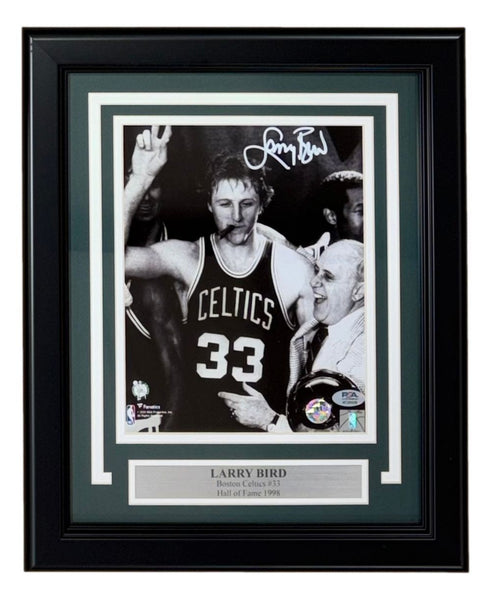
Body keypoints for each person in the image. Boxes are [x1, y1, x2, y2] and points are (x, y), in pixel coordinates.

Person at [124, 126, 314, 432]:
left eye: (246, 204)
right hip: (196, 430)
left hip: (263, 434)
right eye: (225, 204)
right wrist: (140, 179)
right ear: (210, 205)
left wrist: (280, 422)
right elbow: (112, 259)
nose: (236, 216)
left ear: (262, 204)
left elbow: (312, 374)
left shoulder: (294, 269)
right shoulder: (188, 258)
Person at [222, 239, 365, 432]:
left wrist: (270, 420)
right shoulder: (329, 326)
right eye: (317, 270)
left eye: (328, 277)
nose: (313, 282)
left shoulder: (362, 355)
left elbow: (351, 434)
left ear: (359, 291)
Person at [124, 174, 185, 432]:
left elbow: (177, 372)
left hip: (153, 416)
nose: (146, 197)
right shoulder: (91, 254)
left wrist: (167, 442)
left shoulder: (185, 249)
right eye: (136, 185)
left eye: (154, 184)